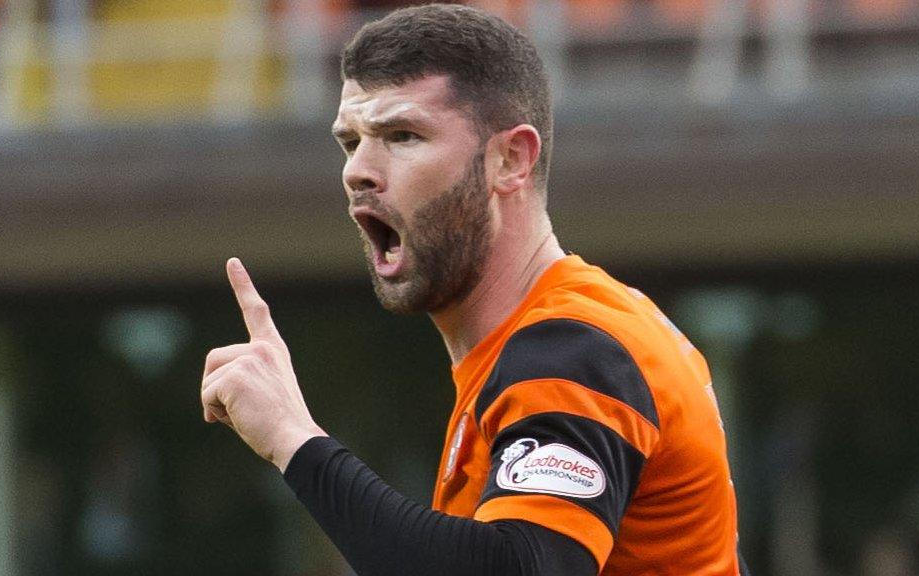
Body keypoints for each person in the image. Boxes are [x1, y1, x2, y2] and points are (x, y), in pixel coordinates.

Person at [200, 4, 749, 574]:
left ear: (510, 159)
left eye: (402, 135)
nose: (357, 170)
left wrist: (294, 438)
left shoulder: (573, 349)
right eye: (350, 141)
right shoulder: (561, 334)